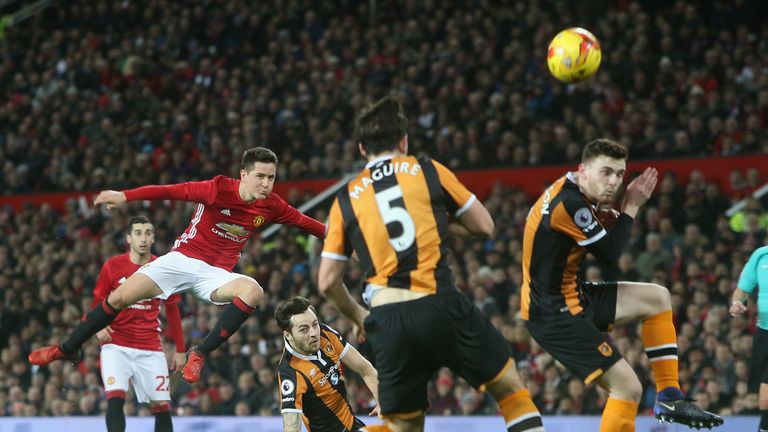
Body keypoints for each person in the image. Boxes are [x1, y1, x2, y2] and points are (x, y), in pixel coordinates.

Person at [318, 96, 544, 432]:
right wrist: (437, 220)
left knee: (404, 427)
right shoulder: (426, 170)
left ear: (362, 149)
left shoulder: (346, 198)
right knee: (510, 390)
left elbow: (326, 283)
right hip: (440, 304)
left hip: (389, 320)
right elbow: (484, 226)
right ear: (404, 141)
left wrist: (359, 316)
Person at [29, 147, 326, 384]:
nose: (266, 183)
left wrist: (342, 245)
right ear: (243, 174)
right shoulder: (216, 189)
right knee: (118, 297)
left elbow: (306, 222)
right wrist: (124, 196)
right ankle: (66, 348)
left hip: (217, 274)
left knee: (253, 290)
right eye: (260, 176)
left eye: (271, 178)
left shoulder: (271, 205)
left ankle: (200, 354)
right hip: (181, 260)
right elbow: (169, 191)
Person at [520, 138, 722, 431]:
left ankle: (669, 396)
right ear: (583, 170)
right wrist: (631, 206)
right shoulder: (569, 204)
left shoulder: (573, 192)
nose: (614, 181)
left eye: (619, 173)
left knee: (658, 298)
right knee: (628, 388)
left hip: (572, 295)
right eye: (606, 172)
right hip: (551, 314)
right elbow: (610, 256)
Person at [93, 216, 185, 432]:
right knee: (115, 397)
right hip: (115, 344)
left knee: (162, 406)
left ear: (153, 237)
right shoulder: (112, 266)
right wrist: (98, 326)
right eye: (138, 233)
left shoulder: (162, 267)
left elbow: (172, 308)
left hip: (150, 347)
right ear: (128, 237)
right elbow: (98, 299)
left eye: (147, 233)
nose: (143, 238)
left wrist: (180, 350)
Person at [276, 296, 382, 432]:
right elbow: (291, 427)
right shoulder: (290, 372)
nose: (314, 333)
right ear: (288, 335)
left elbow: (364, 368)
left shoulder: (325, 333)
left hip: (353, 425)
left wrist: (381, 400)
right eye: (304, 329)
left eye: (315, 324)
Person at [731, 245, 768, 432]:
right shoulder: (760, 255)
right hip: (764, 333)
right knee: (763, 394)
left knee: (765, 394)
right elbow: (742, 289)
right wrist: (737, 303)